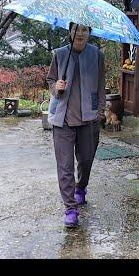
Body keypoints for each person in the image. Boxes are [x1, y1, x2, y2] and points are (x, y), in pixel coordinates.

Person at [46, 23, 106, 228]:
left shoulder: (97, 55)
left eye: (85, 30)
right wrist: (57, 87)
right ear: (70, 31)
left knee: (86, 160)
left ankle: (81, 188)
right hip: (62, 119)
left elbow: (101, 86)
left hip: (88, 119)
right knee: (65, 166)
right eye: (76, 30)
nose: (80, 34)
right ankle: (70, 209)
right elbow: (50, 80)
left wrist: (99, 113)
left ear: (90, 33)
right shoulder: (60, 54)